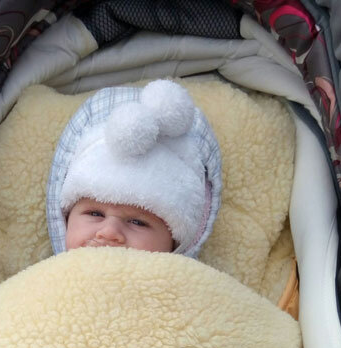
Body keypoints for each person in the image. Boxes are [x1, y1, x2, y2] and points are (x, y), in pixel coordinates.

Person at [49, 79, 223, 257]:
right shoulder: (45, 274)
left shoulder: (190, 276)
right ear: (65, 219)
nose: (109, 232)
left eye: (138, 222)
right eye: (94, 213)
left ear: (176, 244)